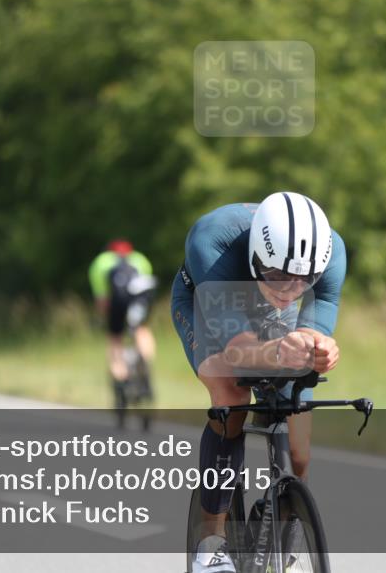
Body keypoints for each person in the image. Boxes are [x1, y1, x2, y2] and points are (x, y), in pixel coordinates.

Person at [172, 192, 346, 573]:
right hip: (206, 301)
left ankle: (281, 529)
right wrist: (280, 351)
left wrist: (319, 349)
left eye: (302, 282)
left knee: (298, 448)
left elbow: (311, 334)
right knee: (231, 393)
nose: (288, 291)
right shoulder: (211, 240)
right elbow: (239, 351)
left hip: (268, 316)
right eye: (277, 276)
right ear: (255, 255)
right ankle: (210, 543)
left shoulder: (331, 255)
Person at [88, 240, 157, 402]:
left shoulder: (101, 262)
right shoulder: (140, 258)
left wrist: (108, 319)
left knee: (115, 338)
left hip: (118, 300)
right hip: (140, 299)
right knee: (141, 329)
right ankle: (145, 364)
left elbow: (102, 300)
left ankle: (121, 376)